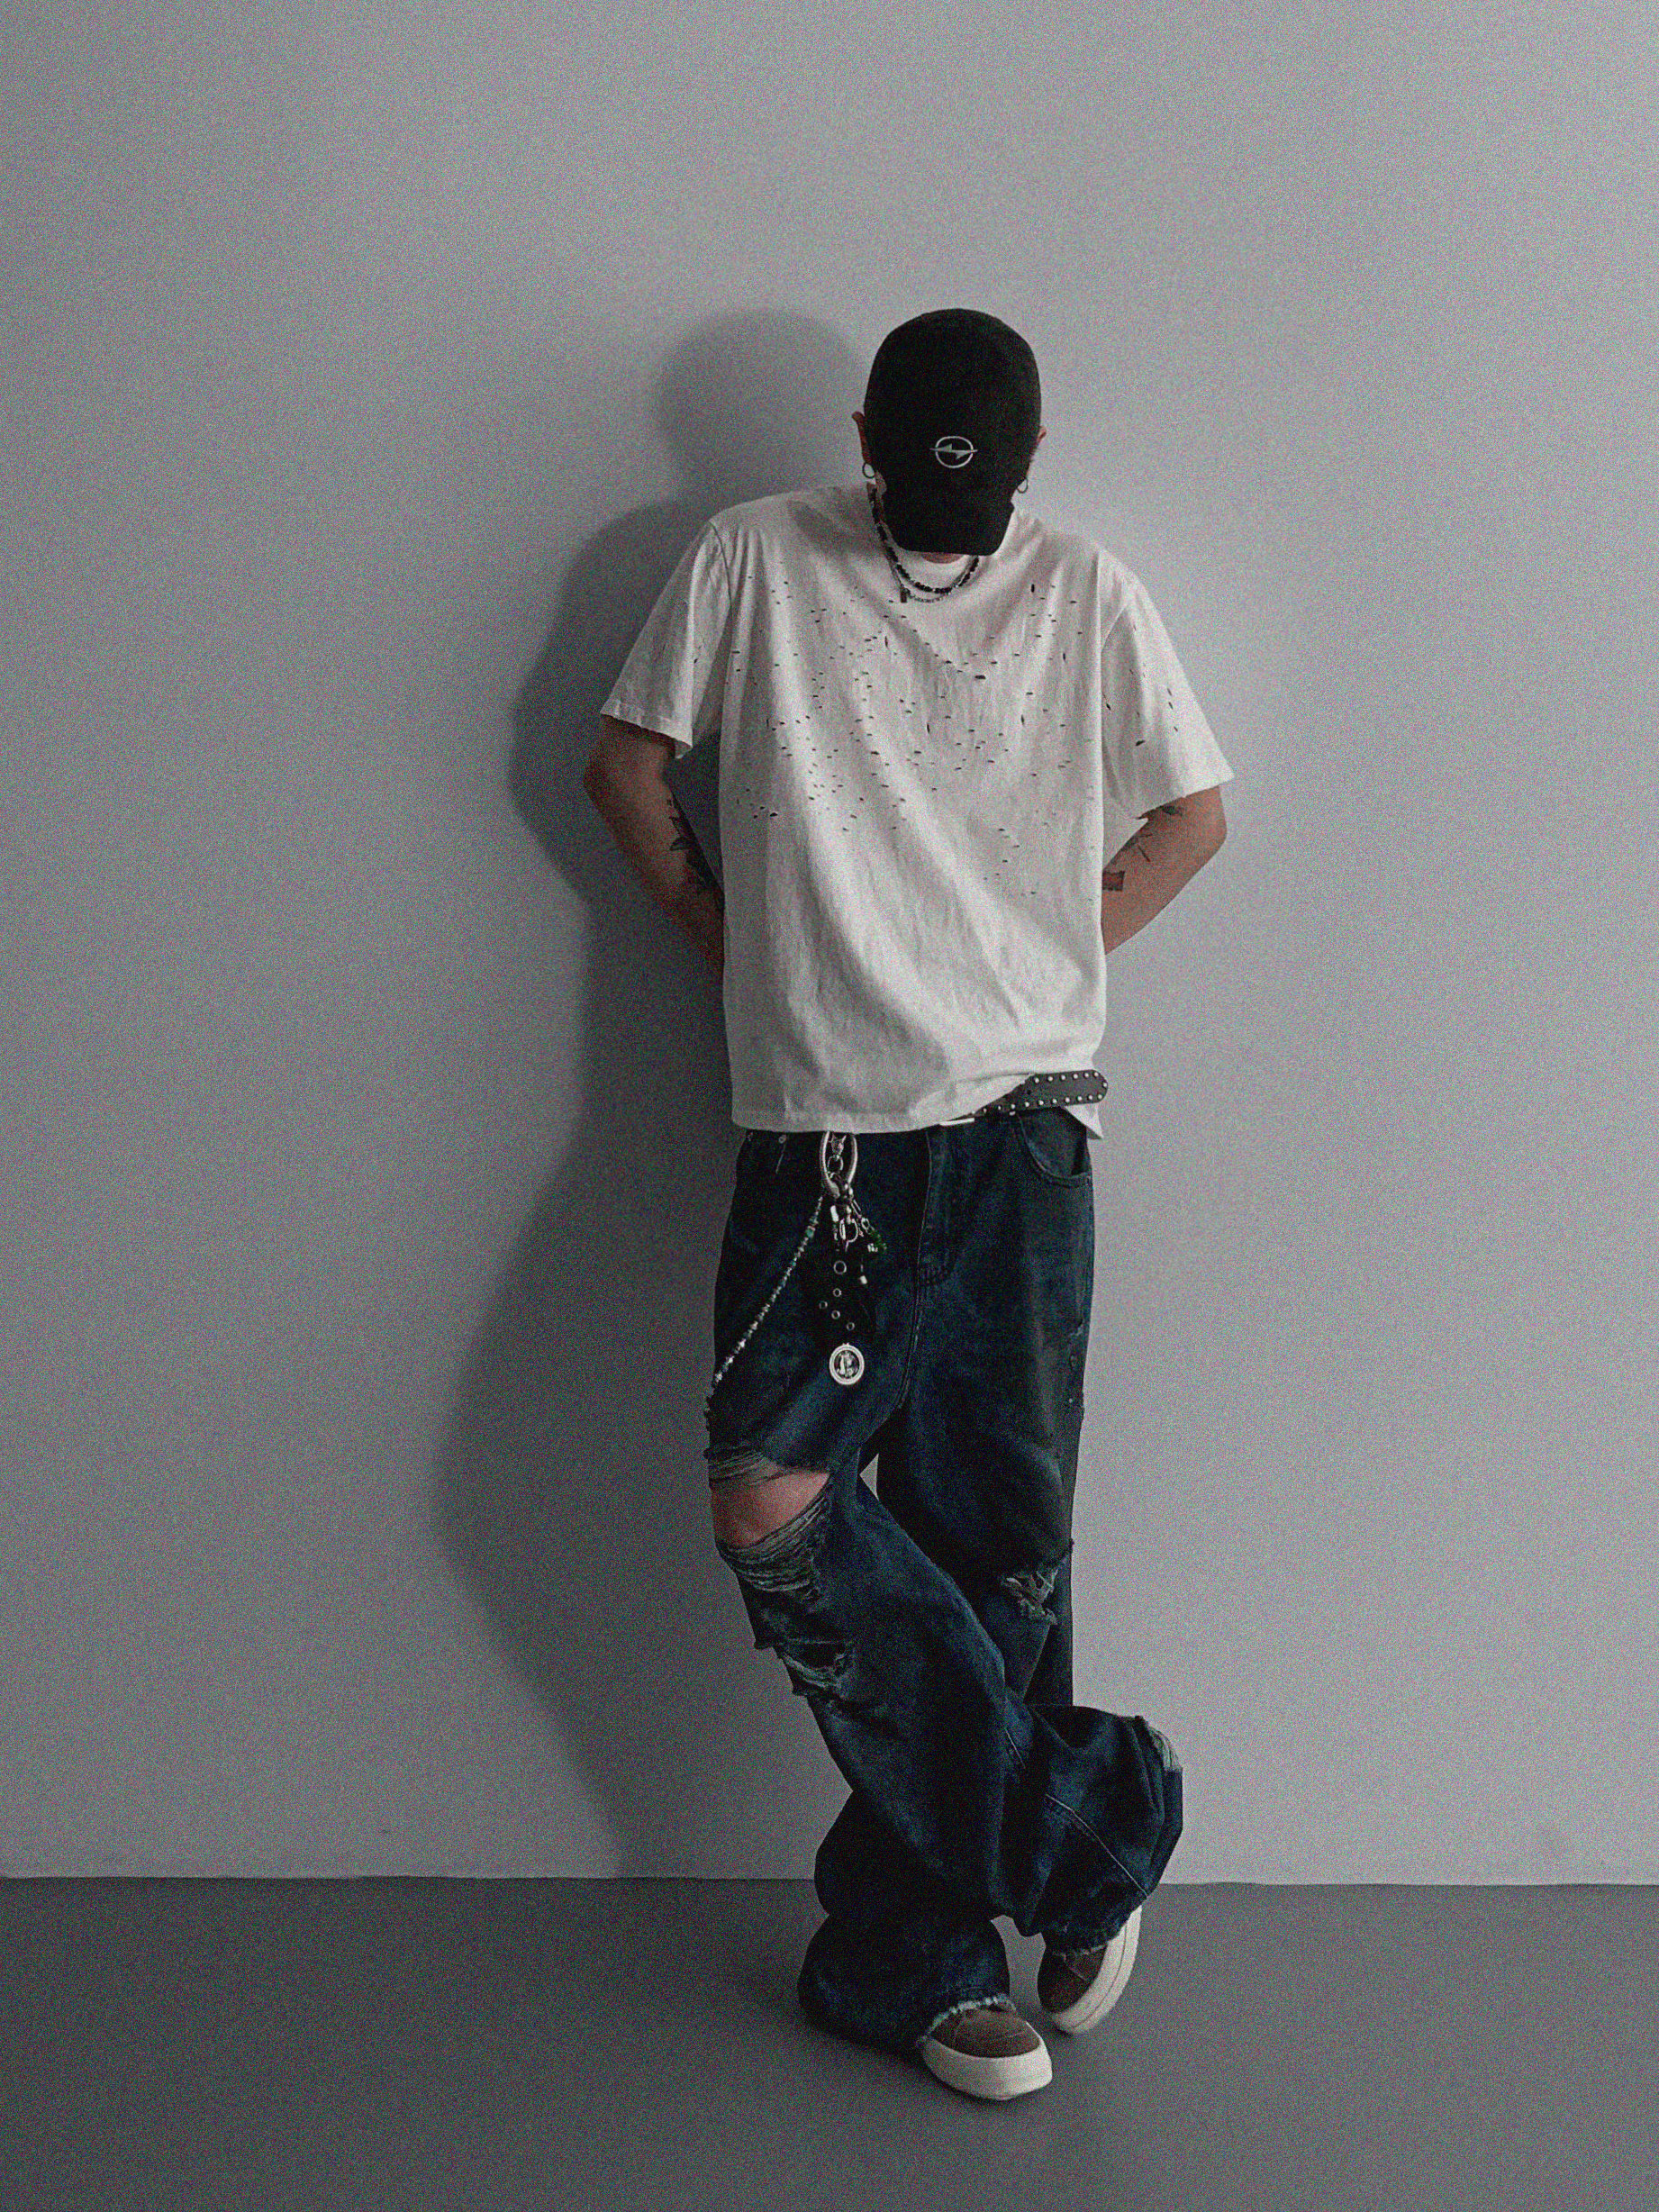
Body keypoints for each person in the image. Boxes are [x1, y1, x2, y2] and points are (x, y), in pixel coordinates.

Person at [584, 308, 1232, 2102]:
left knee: (996, 1555)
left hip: (1021, 1130)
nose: (953, 505)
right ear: (865, 436)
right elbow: (622, 763)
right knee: (768, 1489)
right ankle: (1078, 1845)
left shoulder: (1084, 591)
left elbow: (1194, 813)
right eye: (923, 472)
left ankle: (909, 1961)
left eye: (981, 485)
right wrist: (739, 953)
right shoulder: (753, 558)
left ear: (1027, 463)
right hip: (830, 1142)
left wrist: (1021, 964)